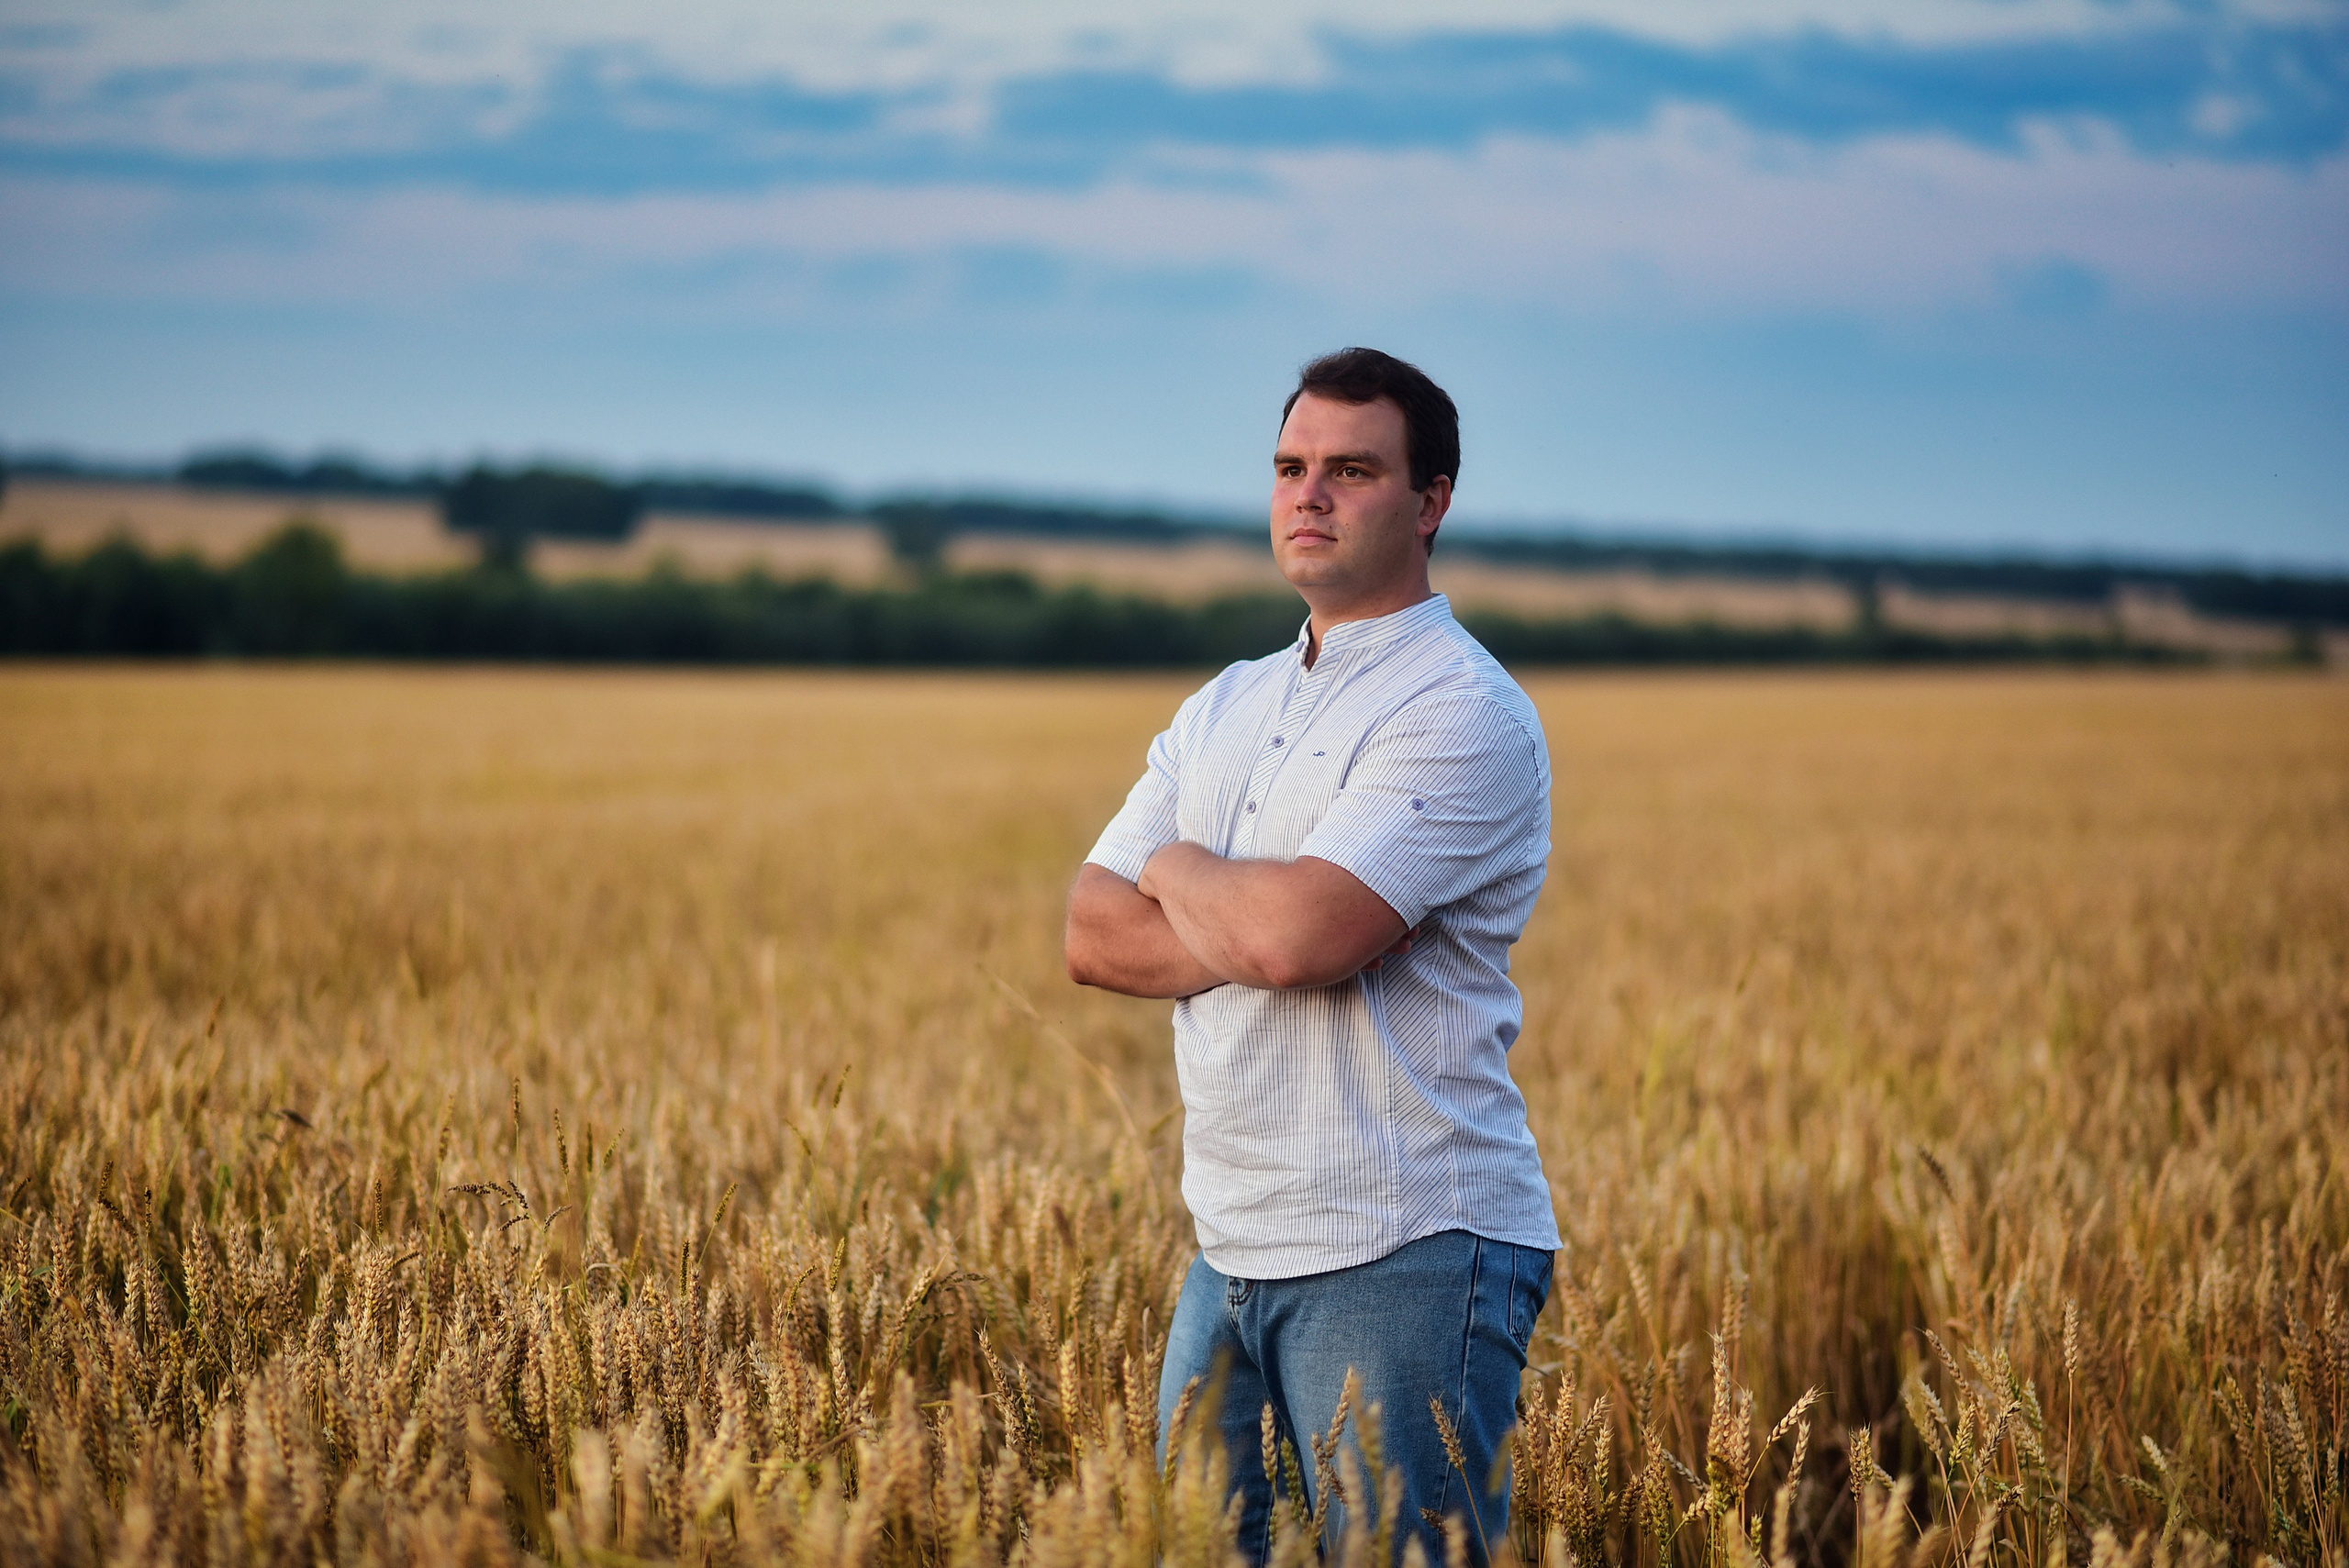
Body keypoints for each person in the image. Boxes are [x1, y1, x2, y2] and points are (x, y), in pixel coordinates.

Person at [1064, 347, 1560, 1564]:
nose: (1310, 495)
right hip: (1229, 1245)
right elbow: (1090, 931)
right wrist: (1252, 911)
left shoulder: (1461, 709)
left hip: (1406, 1244)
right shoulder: (1227, 702)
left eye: (1352, 469)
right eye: (1290, 467)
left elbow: (1299, 940)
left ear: (1431, 499)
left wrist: (1177, 866)